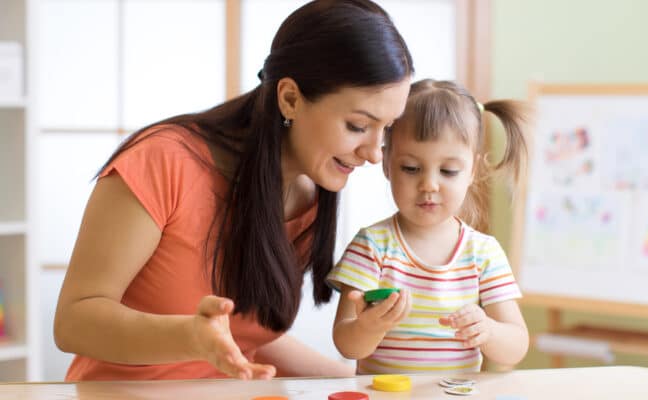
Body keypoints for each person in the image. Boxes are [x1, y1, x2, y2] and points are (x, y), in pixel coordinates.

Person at [53, 0, 413, 381]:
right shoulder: (163, 162)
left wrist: (357, 384)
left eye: (387, 129)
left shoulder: (309, 191)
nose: (375, 154)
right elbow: (74, 321)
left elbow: (241, 337)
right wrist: (189, 336)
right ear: (290, 98)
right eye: (358, 125)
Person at [327, 79, 529, 374]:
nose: (429, 185)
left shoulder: (483, 252)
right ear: (387, 165)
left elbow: (517, 345)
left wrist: (488, 330)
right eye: (411, 168)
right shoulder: (372, 245)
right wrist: (368, 327)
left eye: (448, 171)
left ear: (472, 170)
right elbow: (346, 344)